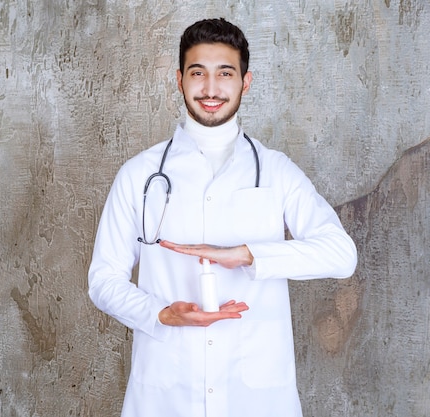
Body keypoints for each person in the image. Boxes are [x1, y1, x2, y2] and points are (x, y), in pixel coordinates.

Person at [88, 17, 358, 417]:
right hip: (167, 395)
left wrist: (250, 254)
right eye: (198, 73)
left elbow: (341, 255)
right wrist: (158, 314)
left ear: (245, 82)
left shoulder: (276, 171)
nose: (211, 89)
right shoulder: (140, 175)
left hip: (257, 398)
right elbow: (103, 280)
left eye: (225, 74)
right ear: (179, 79)